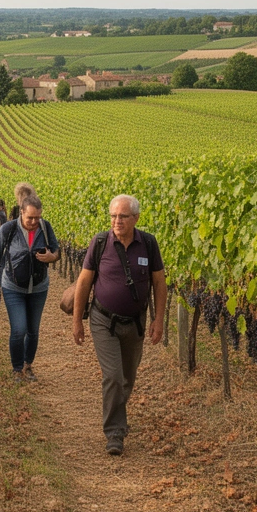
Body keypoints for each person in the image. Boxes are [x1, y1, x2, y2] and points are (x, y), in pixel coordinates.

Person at [71, 195, 166, 456]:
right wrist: (77, 320)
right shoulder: (100, 242)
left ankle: (116, 415)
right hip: (104, 320)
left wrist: (159, 320)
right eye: (113, 216)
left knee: (127, 377)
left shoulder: (147, 243)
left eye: (123, 216)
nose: (117, 221)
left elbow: (159, 283)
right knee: (113, 375)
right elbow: (83, 282)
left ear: (136, 218)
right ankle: (114, 432)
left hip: (135, 322)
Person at [0, 188, 59, 383]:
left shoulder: (45, 227)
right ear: (21, 212)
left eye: (37, 217)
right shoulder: (8, 229)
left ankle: (28, 365)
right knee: (18, 329)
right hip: (13, 287)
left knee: (33, 330)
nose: (34, 222)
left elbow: (56, 251)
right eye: (30, 218)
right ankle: (16, 368)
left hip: (38, 288)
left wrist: (51, 257)